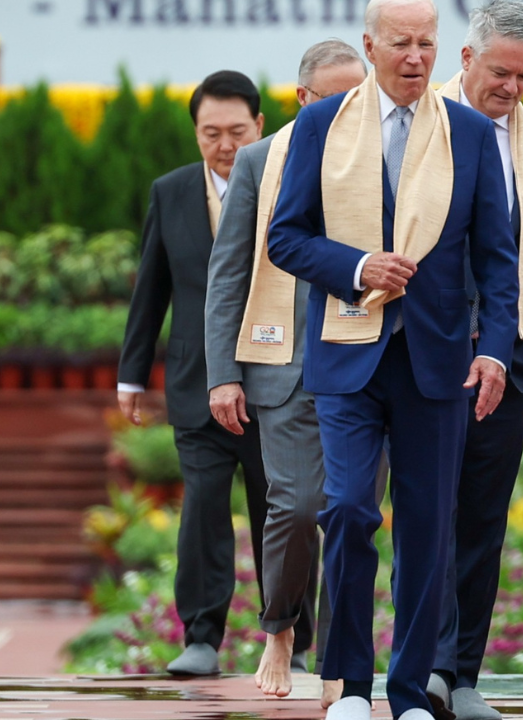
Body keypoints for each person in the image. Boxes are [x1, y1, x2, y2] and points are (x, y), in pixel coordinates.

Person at [266, 0, 519, 718]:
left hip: (438, 362)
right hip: (347, 354)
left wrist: (495, 350)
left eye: (427, 44)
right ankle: (347, 683)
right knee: (345, 510)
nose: (415, 57)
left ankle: (408, 693)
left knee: (427, 530)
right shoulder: (320, 124)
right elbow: (285, 239)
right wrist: (355, 267)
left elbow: (498, 261)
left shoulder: (470, 133)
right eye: (401, 44)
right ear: (371, 46)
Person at [204, 40, 367, 699]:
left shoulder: (385, 157)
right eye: (332, 98)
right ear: (302, 99)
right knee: (296, 508)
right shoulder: (258, 161)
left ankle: (339, 657)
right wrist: (223, 372)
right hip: (281, 365)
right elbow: (228, 275)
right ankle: (280, 629)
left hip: (365, 361)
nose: (348, 110)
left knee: (352, 515)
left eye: (359, 97)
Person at [427, 3, 523, 719]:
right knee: (429, 513)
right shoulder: (423, 125)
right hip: (428, 356)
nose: (512, 89)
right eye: (500, 73)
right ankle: (425, 664)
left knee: (482, 519)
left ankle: (461, 676)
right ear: (465, 58)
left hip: (510, 362)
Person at [117, 70, 271, 677]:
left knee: (279, 515)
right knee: (202, 509)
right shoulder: (172, 191)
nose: (226, 145)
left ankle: (293, 637)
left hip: (271, 383)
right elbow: (151, 289)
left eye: (237, 131)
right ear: (196, 133)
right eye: (212, 133)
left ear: (259, 127)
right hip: (194, 384)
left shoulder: (285, 185)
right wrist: (133, 374)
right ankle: (202, 639)